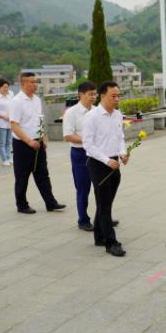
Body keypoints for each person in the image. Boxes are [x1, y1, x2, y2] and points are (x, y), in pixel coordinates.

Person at [82, 82, 128, 255]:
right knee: (105, 204)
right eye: (113, 96)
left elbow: (120, 137)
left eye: (118, 96)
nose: (117, 99)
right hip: (98, 164)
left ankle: (99, 236)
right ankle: (111, 242)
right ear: (103, 96)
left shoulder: (117, 115)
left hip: (114, 163)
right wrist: (106, 160)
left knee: (105, 202)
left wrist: (122, 153)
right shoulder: (92, 116)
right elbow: (88, 144)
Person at [9, 72, 65, 214]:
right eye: (32, 82)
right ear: (24, 83)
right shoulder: (17, 101)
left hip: (38, 142)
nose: (35, 85)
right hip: (23, 144)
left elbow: (39, 120)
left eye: (36, 82)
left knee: (43, 174)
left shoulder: (37, 100)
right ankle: (21, 205)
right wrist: (28, 141)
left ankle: (50, 203)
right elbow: (14, 125)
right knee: (22, 175)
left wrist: (44, 137)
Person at [63, 81, 97, 231]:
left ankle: (102, 216)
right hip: (80, 154)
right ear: (80, 95)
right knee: (83, 188)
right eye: (90, 94)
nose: (93, 97)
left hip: (97, 153)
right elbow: (68, 136)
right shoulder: (71, 113)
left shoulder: (97, 111)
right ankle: (83, 219)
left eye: (94, 94)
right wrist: (87, 140)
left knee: (101, 187)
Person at [0, 78, 13, 166]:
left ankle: (9, 157)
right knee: (2, 143)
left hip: (10, 123)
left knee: (9, 142)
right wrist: (2, 116)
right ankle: (4, 159)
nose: (6, 89)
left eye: (7, 87)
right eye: (4, 87)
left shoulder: (10, 97)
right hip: (1, 123)